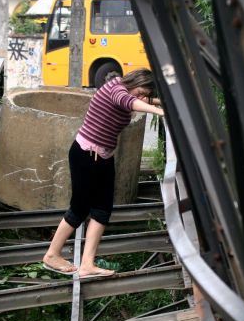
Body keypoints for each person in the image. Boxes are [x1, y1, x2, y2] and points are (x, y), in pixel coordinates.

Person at [42, 69, 164, 278]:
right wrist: (161, 112)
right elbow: (127, 101)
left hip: (103, 158)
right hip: (86, 155)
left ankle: (87, 264)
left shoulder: (127, 91)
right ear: (135, 82)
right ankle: (52, 254)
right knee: (80, 208)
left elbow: (138, 99)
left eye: (145, 95)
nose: (141, 98)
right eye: (141, 92)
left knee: (102, 210)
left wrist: (160, 101)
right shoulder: (115, 89)